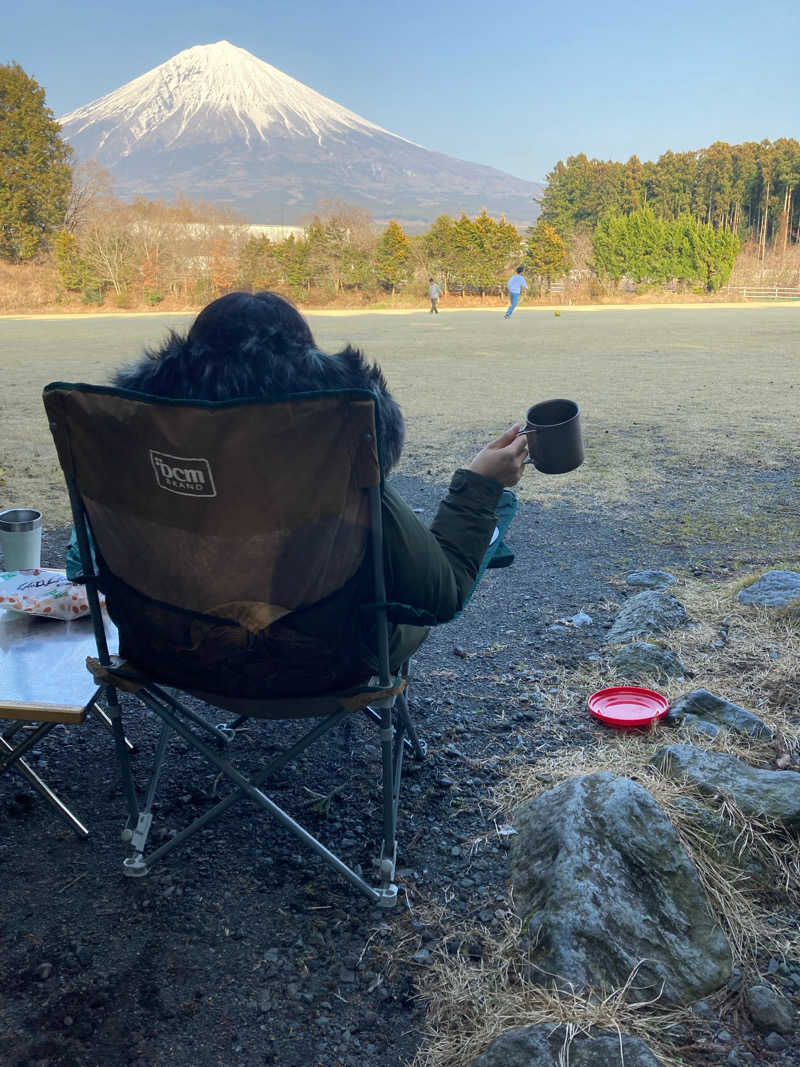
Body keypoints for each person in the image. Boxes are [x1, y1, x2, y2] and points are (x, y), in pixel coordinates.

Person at [69, 291, 527, 696]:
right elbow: (438, 596)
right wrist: (481, 485)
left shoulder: (138, 481)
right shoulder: (338, 470)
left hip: (168, 657)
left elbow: (79, 564)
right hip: (325, 668)